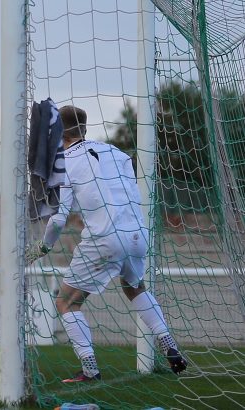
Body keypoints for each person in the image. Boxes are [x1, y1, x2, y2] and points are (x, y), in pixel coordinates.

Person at [25, 105, 187, 382]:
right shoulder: (118, 153)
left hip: (104, 237)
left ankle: (89, 368)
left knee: (66, 302)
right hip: (137, 233)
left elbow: (59, 219)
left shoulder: (63, 162)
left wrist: (43, 247)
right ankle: (168, 343)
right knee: (135, 288)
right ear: (85, 128)